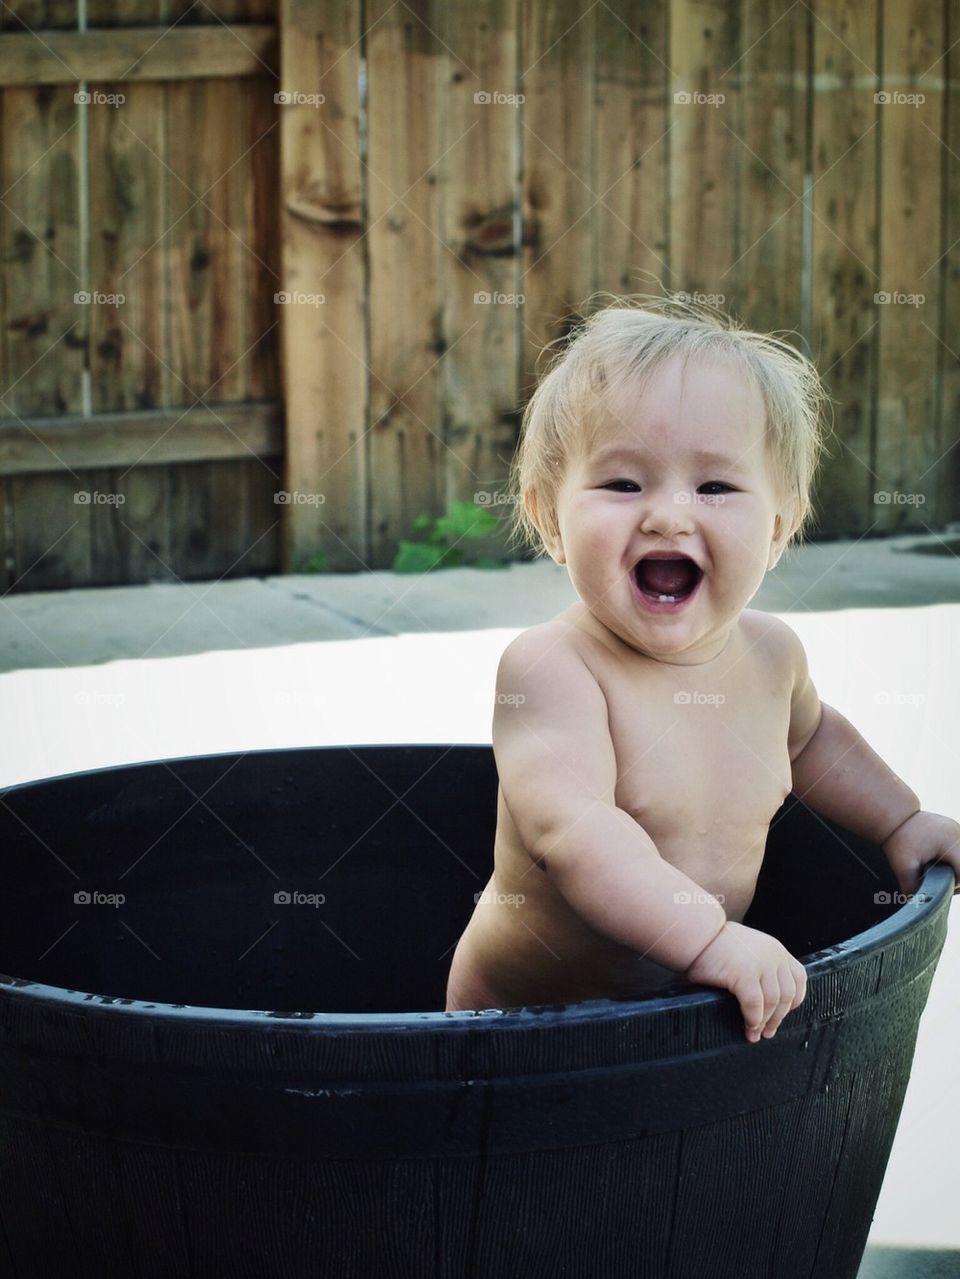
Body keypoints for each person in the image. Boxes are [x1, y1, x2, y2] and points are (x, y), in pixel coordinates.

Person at [444, 293, 959, 1042]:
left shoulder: (772, 655)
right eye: (624, 483)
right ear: (551, 519)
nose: (668, 515)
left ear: (778, 528)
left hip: (679, 1013)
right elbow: (578, 834)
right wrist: (709, 938)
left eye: (714, 486)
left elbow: (812, 742)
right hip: (519, 1024)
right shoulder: (554, 668)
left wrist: (900, 818)